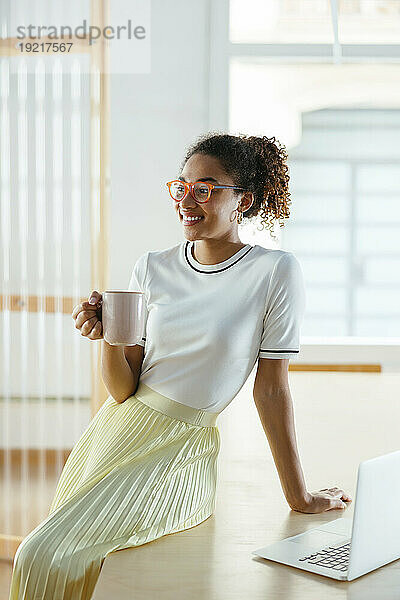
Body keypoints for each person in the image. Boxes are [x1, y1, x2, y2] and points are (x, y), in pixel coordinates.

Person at [8, 132, 352, 599]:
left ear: (243, 201)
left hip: (183, 447)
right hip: (114, 434)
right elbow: (122, 391)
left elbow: (270, 390)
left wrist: (300, 496)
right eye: (182, 186)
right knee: (53, 554)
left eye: (205, 188)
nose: (187, 199)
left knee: (45, 554)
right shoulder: (152, 267)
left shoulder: (275, 272)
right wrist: (109, 336)